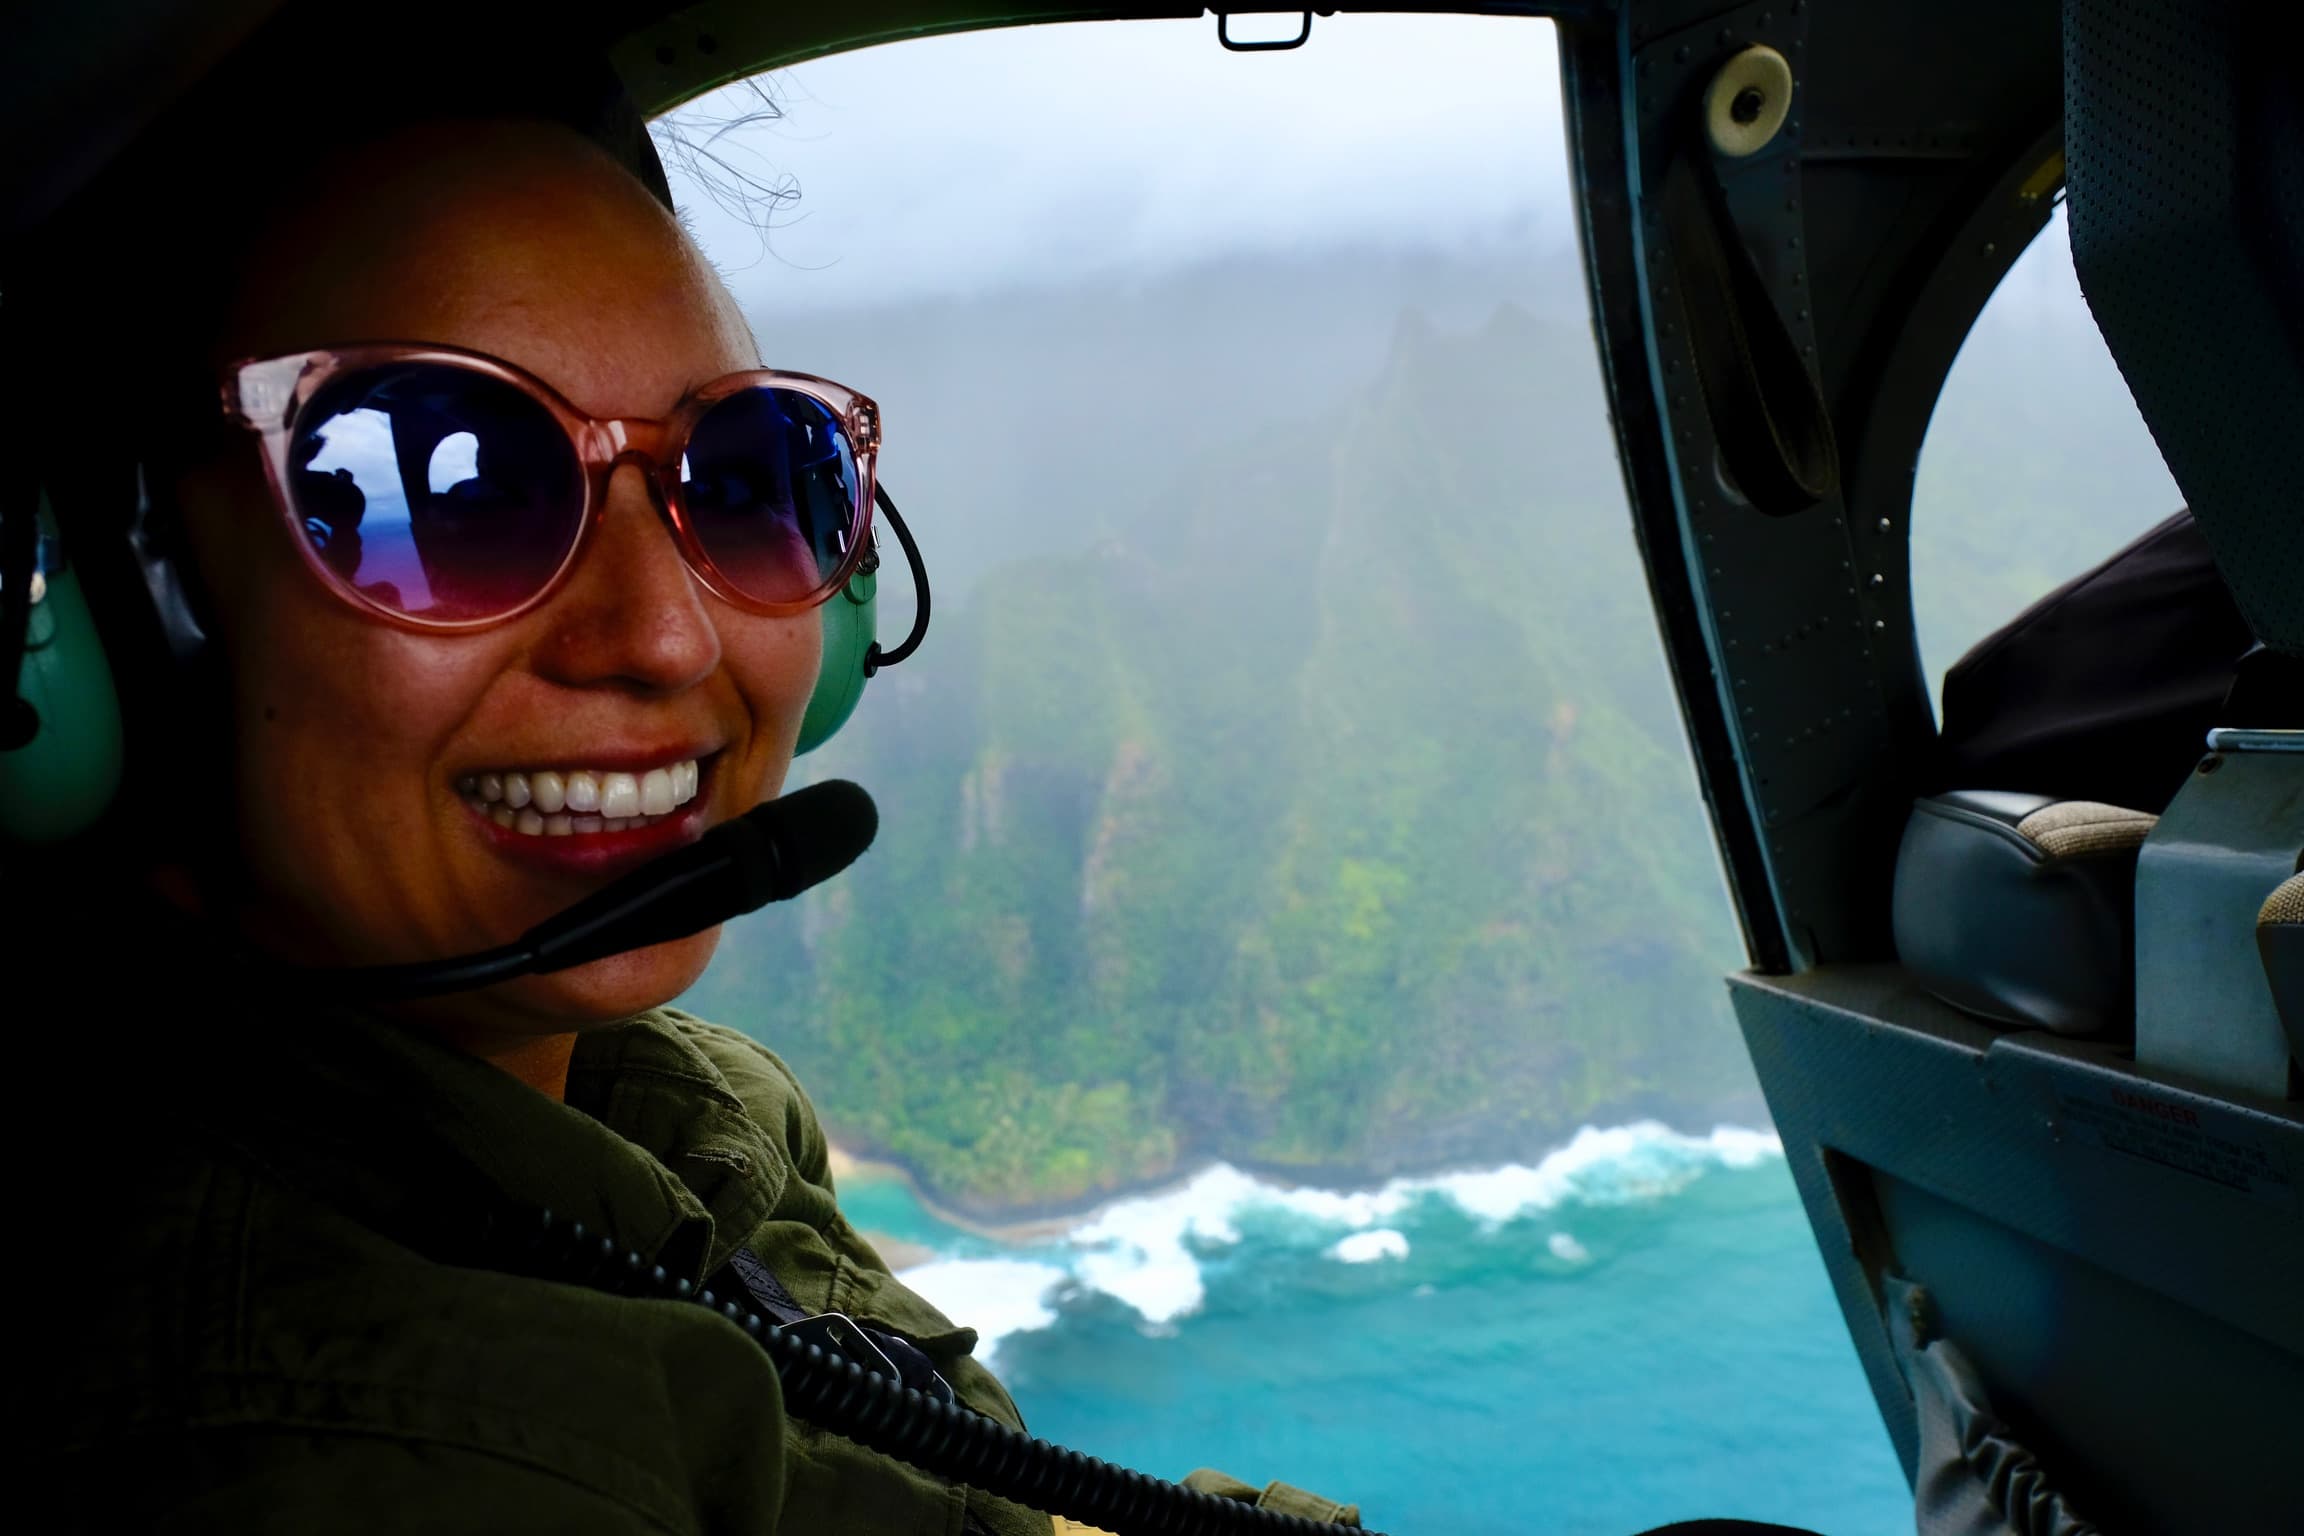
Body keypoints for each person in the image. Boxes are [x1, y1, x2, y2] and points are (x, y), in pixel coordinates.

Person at [10, 10, 1087, 1532]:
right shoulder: (351, 1446)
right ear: (118, 615)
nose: (662, 633)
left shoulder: (662, 1113)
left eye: (746, 476)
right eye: (436, 488)